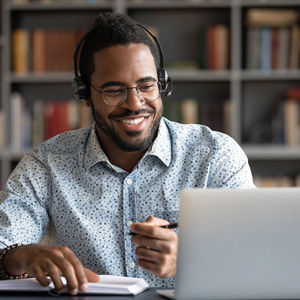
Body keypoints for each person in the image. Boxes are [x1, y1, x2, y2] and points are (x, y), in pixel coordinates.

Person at [0, 12, 254, 295]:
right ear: (85, 94)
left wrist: (191, 260)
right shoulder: (46, 165)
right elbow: (3, 242)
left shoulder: (216, 155)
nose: (134, 104)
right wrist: (19, 256)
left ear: (162, 84)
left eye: (146, 86)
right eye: (114, 90)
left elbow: (257, 257)